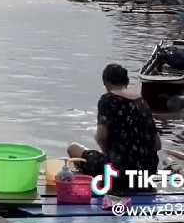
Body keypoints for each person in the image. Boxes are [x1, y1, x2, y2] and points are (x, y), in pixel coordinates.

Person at [67, 63, 161, 192]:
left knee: (73, 149)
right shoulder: (142, 101)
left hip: (119, 173)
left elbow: (101, 137)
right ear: (127, 81)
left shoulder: (108, 100)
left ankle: (102, 181)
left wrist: (108, 152)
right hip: (147, 172)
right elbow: (157, 144)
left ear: (105, 82)